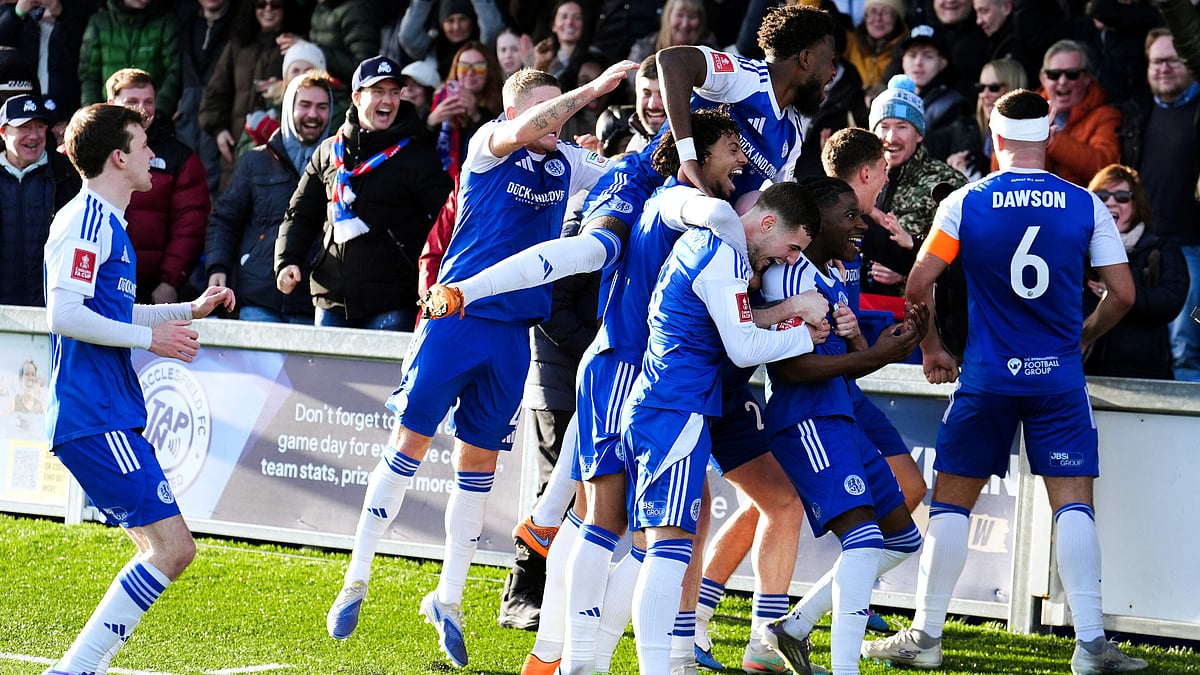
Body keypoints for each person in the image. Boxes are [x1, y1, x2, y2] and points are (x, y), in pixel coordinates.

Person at [324, 61, 637, 669]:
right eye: (552, 110)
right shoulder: (489, 145)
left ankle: (449, 599)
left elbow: (620, 179)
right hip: (456, 320)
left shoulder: (567, 161)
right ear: (517, 111)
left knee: (478, 469)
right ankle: (356, 578)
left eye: (566, 109)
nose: (563, 119)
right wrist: (590, 92)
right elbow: (534, 125)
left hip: (513, 335)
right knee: (407, 448)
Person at [862, 88, 1148, 674]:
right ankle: (1091, 645)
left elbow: (917, 286)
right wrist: (1083, 337)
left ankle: (926, 636)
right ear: (1046, 139)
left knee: (951, 504)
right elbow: (1123, 294)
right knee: (1073, 504)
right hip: (1058, 379)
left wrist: (935, 346)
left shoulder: (965, 203)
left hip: (987, 375)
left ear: (994, 139)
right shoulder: (1083, 204)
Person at [416, 4, 837, 319]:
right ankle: (463, 292)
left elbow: (765, 206)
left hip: (689, 229)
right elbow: (673, 61)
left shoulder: (794, 132)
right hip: (645, 183)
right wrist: (688, 157)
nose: (834, 71)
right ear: (805, 59)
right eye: (829, 60)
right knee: (596, 250)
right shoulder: (748, 78)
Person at [39, 102, 234, 675]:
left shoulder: (109, 225)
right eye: (145, 145)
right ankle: (76, 669)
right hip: (94, 413)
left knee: (162, 550)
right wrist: (151, 342)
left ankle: (78, 668)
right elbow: (65, 315)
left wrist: (186, 309)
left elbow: (116, 309)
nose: (155, 155)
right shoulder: (86, 222)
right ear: (118, 158)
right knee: (174, 550)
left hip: (105, 412)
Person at [621, 180, 824, 674]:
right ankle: (638, 660)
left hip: (678, 404)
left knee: (657, 546)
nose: (790, 260)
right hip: (676, 407)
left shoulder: (714, 241)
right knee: (661, 551)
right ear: (769, 222)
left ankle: (666, 656)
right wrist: (802, 333)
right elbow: (744, 349)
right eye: (792, 247)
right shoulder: (725, 252)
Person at [758, 176, 927, 675]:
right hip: (807, 419)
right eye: (849, 217)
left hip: (841, 415)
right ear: (814, 222)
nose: (861, 225)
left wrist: (881, 346)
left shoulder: (824, 275)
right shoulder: (786, 279)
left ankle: (794, 627)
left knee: (902, 541)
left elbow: (849, 359)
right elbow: (789, 369)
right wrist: (874, 352)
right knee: (864, 540)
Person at [274, 55, 453, 331]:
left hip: (392, 303)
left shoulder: (417, 155)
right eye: (378, 91)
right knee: (325, 376)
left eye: (394, 92)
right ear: (357, 98)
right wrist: (287, 260)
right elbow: (300, 214)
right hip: (330, 299)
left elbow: (447, 216)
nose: (388, 100)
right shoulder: (329, 151)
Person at [205, 70, 335, 324]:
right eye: (305, 105)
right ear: (288, 108)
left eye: (322, 107)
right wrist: (217, 266)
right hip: (259, 298)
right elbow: (224, 219)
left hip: (314, 302)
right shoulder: (255, 161)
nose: (313, 114)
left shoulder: (340, 164)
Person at [1128, 28, 1200, 381]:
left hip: (1194, 250)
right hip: (1146, 250)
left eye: (1174, 60)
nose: (1164, 68)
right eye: (1157, 61)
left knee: (1188, 345)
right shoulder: (1138, 114)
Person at [107, 68, 210, 305]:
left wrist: (170, 282)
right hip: (100, 282)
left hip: (153, 291)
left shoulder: (180, 158)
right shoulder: (92, 149)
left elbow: (189, 225)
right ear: (112, 103)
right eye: (132, 101)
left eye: (149, 101)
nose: (142, 109)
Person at [1083, 164, 1188, 379]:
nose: (1111, 202)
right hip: (1086, 374)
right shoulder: (1076, 248)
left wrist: (1118, 294)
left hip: (1144, 376)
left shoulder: (1161, 249)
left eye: (1122, 196)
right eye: (1102, 195)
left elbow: (1171, 301)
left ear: (1136, 203)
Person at [866, 75, 965, 299]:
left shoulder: (947, 183)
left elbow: (961, 261)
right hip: (863, 310)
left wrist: (907, 273)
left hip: (920, 314)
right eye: (884, 127)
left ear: (919, 134)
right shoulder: (862, 178)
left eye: (902, 127)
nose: (891, 137)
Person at [198, 0, 296, 182]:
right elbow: (215, 93)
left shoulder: (295, 46)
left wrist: (284, 87)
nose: (268, 10)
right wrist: (218, 130)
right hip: (236, 150)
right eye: (261, 4)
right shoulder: (238, 45)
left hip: (280, 152)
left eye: (275, 4)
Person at [0, 94, 81, 306]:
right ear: (3, 132)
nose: (34, 136)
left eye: (39, 127)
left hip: (52, 309)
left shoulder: (68, 175)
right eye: (24, 127)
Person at [1037, 39, 1123, 187]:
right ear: (1043, 79)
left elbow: (1106, 169)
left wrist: (1052, 139)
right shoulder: (1026, 113)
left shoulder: (1106, 116)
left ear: (1087, 78)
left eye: (1072, 74)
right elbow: (1002, 172)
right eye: (1054, 74)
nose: (1063, 81)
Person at [79, 0, 181, 117]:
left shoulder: (166, 22)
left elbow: (174, 71)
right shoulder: (99, 23)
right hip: (108, 117)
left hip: (153, 116)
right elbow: (88, 75)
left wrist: (159, 111)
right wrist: (95, 115)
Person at [427, 41, 503, 181]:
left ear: (489, 71)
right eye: (463, 67)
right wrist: (431, 122)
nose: (470, 73)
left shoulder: (502, 102)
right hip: (438, 183)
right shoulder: (439, 98)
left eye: (478, 67)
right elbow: (421, 148)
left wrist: (476, 114)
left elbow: (497, 149)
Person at [0, 0, 89, 112]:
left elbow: (82, 45)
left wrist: (61, 14)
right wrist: (17, 12)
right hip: (22, 93)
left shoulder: (72, 9)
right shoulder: (8, 10)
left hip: (63, 95)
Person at [948, 57, 1026, 180]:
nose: (985, 94)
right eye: (981, 88)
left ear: (1013, 89)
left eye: (993, 88)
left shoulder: (1028, 135)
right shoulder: (969, 130)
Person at [843, 0, 907, 95]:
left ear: (897, 18)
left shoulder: (908, 50)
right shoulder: (850, 42)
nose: (878, 18)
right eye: (873, 11)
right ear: (865, 17)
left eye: (886, 13)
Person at [626, 0, 717, 65]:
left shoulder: (712, 52)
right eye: (680, 15)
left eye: (692, 17)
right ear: (667, 16)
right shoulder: (643, 49)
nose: (685, 24)